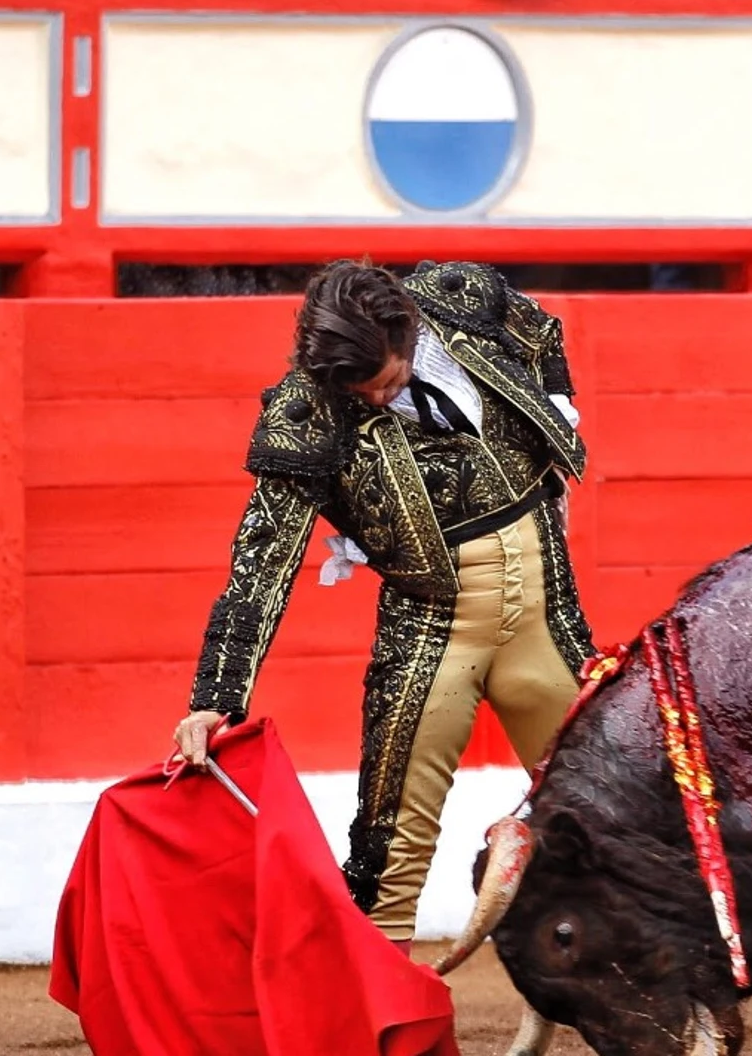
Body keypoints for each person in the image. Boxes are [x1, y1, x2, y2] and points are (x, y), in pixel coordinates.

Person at [170, 257, 594, 956]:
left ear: (408, 329)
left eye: (389, 380)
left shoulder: (461, 294)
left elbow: (543, 332)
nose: (374, 398)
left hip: (545, 615)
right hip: (432, 635)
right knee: (388, 851)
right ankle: (376, 1022)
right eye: (359, 390)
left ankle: (646, 993)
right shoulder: (309, 407)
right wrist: (216, 697)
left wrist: (559, 411)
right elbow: (263, 557)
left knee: (610, 814)